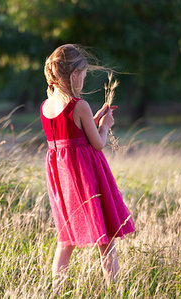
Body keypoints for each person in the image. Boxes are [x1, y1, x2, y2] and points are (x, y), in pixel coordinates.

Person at [40, 44, 136, 293]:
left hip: (62, 179)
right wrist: (105, 125)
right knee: (105, 239)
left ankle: (56, 292)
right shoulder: (79, 105)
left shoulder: (46, 106)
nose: (84, 78)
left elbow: (70, 136)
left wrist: (93, 121)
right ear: (73, 75)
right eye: (83, 73)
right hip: (86, 177)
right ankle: (115, 292)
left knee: (65, 240)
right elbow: (98, 143)